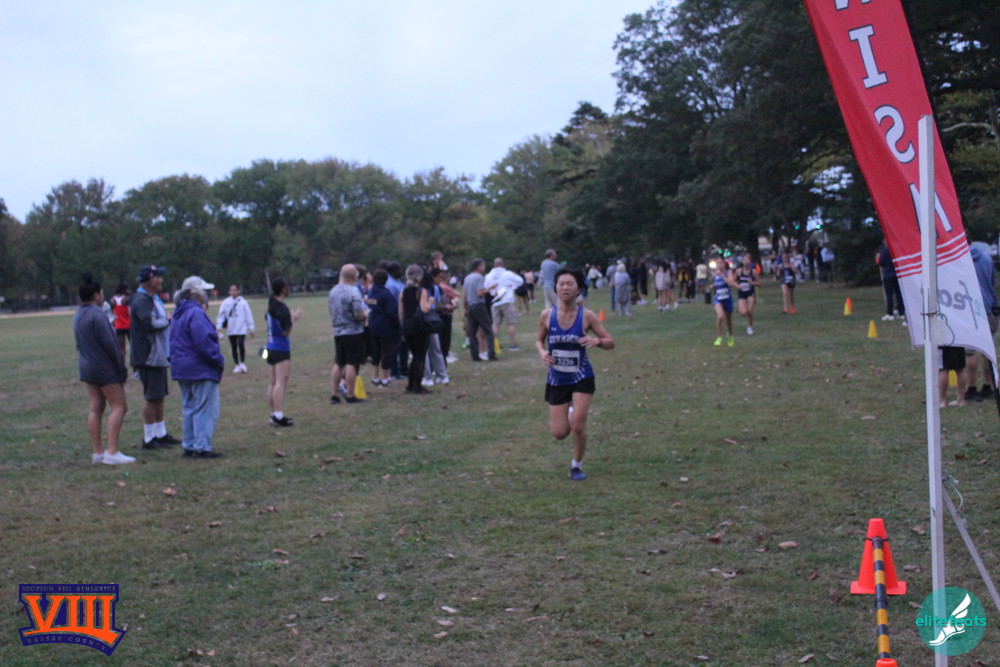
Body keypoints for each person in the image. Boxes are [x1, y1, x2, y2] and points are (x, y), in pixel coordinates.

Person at [535, 268, 615, 481]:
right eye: (561, 284)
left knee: (578, 425)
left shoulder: (587, 316)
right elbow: (538, 341)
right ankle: (571, 409)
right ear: (555, 288)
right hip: (557, 379)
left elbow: (610, 342)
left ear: (578, 289)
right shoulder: (547, 315)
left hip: (581, 377)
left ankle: (576, 466)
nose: (565, 288)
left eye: (570, 284)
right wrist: (542, 353)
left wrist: (597, 341)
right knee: (560, 433)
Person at [74, 274, 134, 465]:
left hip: (87, 366)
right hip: (104, 367)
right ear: (96, 295)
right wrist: (121, 367)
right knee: (119, 406)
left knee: (95, 408)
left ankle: (98, 451)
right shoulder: (98, 314)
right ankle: (112, 451)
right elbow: (111, 344)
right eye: (101, 293)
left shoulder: (78, 314)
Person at [170, 276, 225, 458]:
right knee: (204, 408)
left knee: (189, 407)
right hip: (199, 367)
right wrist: (217, 359)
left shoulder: (179, 313)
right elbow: (204, 342)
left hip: (182, 367)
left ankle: (190, 444)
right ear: (196, 293)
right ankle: (201, 446)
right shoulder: (196, 313)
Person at [130, 265, 181, 449]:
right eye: (159, 276)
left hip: (157, 354)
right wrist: (168, 320)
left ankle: (161, 433)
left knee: (159, 395)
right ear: (151, 279)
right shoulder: (141, 300)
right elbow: (149, 324)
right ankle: (149, 438)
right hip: (148, 355)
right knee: (151, 396)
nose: (161, 280)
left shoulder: (151, 298)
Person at [265, 277, 302, 426]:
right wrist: (294, 318)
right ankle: (278, 416)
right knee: (281, 381)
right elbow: (286, 331)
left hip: (270, 347)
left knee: (273, 382)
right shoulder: (282, 308)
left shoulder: (271, 306)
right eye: (287, 286)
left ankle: (273, 413)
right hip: (280, 348)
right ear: (282, 289)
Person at [328, 264, 367, 404]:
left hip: (338, 331)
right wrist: (365, 315)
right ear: (354, 276)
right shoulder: (353, 292)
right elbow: (358, 314)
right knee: (352, 363)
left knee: (339, 363)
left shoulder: (333, 291)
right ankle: (350, 395)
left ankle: (334, 395)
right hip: (353, 332)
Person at [965, 241, 999, 402]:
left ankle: (971, 388)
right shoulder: (987, 260)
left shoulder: (960, 261)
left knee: (970, 352)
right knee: (988, 350)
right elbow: (991, 283)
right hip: (989, 308)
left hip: (969, 309)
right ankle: (988, 385)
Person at [401, 264, 434, 393]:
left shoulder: (403, 292)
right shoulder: (421, 291)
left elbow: (401, 311)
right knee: (420, 356)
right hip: (418, 326)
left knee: (413, 355)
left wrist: (403, 326)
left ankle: (410, 384)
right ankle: (417, 385)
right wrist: (431, 301)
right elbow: (424, 308)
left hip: (407, 324)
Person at [366, 268, 401, 387]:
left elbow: (370, 304)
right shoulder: (387, 294)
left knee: (376, 351)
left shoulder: (371, 292)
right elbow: (391, 312)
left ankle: (375, 377)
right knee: (387, 352)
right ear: (385, 280)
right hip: (386, 326)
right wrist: (397, 325)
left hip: (373, 324)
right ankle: (385, 378)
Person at [486, 257, 525, 351]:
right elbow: (520, 281)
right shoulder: (507, 273)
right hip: (507, 300)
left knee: (495, 324)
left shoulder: (489, 275)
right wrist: (512, 284)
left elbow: (486, 287)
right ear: (503, 264)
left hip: (495, 301)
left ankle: (495, 345)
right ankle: (512, 344)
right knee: (511, 323)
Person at [216, 284, 255, 373]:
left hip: (241, 328)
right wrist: (219, 327)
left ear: (238, 291)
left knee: (241, 344)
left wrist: (251, 328)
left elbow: (248, 315)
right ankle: (237, 365)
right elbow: (221, 315)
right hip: (231, 328)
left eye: (235, 290)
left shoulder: (243, 302)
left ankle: (243, 363)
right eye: (231, 290)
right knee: (233, 347)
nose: (233, 292)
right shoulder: (225, 302)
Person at [463, 258, 497, 361]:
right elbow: (480, 293)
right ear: (478, 267)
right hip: (479, 305)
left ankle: (475, 355)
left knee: (473, 332)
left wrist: (465, 308)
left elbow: (465, 295)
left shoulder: (467, 278)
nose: (484, 267)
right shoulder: (479, 277)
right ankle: (491, 354)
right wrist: (490, 288)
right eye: (483, 265)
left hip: (470, 305)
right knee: (488, 330)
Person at [712, 256, 739, 347]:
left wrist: (722, 275)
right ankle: (719, 337)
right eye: (718, 263)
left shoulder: (728, 272)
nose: (719, 265)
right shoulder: (715, 274)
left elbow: (730, 283)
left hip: (727, 299)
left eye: (721, 263)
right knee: (720, 316)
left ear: (724, 264)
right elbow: (716, 284)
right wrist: (713, 286)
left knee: (728, 321)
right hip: (718, 299)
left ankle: (730, 336)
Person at [876, 243, 904, 322]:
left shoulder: (885, 250)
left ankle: (890, 313)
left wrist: (878, 257)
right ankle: (901, 312)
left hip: (888, 275)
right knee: (899, 294)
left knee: (889, 295)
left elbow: (880, 262)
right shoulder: (897, 249)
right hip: (897, 274)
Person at [735, 253, 760, 335]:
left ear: (750, 261)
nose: (745, 262)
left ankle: (749, 327)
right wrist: (737, 285)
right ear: (742, 261)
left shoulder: (753, 272)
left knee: (749, 311)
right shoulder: (739, 271)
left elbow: (759, 283)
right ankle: (744, 307)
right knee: (743, 312)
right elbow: (733, 281)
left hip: (750, 292)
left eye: (747, 260)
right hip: (741, 293)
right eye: (744, 260)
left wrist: (752, 283)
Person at [110, 282, 131, 366]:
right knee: (133, 348)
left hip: (118, 326)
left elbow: (112, 312)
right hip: (129, 325)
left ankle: (122, 367)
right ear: (124, 290)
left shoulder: (113, 300)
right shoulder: (126, 299)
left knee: (121, 349)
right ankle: (135, 370)